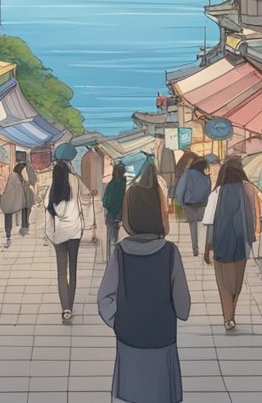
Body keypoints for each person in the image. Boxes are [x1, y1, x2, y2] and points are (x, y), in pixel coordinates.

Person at [97, 166, 191, 403]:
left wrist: (119, 320)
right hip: (162, 336)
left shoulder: (120, 253)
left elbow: (104, 297)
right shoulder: (170, 253)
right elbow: (183, 307)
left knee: (132, 394)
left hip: (129, 337)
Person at [202, 159, 254, 331]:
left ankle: (228, 318)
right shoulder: (247, 189)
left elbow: (210, 223)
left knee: (223, 283)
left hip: (221, 242)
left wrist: (207, 248)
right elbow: (251, 218)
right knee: (237, 282)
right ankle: (231, 314)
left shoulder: (217, 192)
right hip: (241, 242)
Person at [45, 160, 87, 322]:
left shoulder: (53, 188)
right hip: (75, 231)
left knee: (61, 272)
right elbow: (81, 196)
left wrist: (51, 235)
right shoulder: (75, 181)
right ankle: (71, 304)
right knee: (73, 271)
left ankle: (65, 309)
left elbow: (48, 213)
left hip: (59, 234)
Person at [172, 157, 211, 257]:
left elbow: (181, 189)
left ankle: (195, 249)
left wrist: (181, 202)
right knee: (203, 227)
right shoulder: (206, 176)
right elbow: (208, 190)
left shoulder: (188, 174)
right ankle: (204, 249)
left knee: (193, 226)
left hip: (189, 205)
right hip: (202, 204)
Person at [121, 163, 170, 238]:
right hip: (156, 230)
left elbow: (125, 211)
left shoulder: (132, 189)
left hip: (134, 229)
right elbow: (164, 211)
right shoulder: (158, 190)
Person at [0, 159, 36, 247]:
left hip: (11, 200)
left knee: (10, 212)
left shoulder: (14, 175)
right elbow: (33, 180)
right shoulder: (21, 174)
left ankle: (9, 234)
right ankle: (24, 226)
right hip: (19, 199)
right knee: (25, 207)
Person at [102, 162, 126, 260]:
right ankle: (115, 258)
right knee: (116, 238)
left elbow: (105, 202)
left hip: (111, 215)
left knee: (111, 238)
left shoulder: (111, 185)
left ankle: (111, 259)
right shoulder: (124, 184)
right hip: (120, 215)